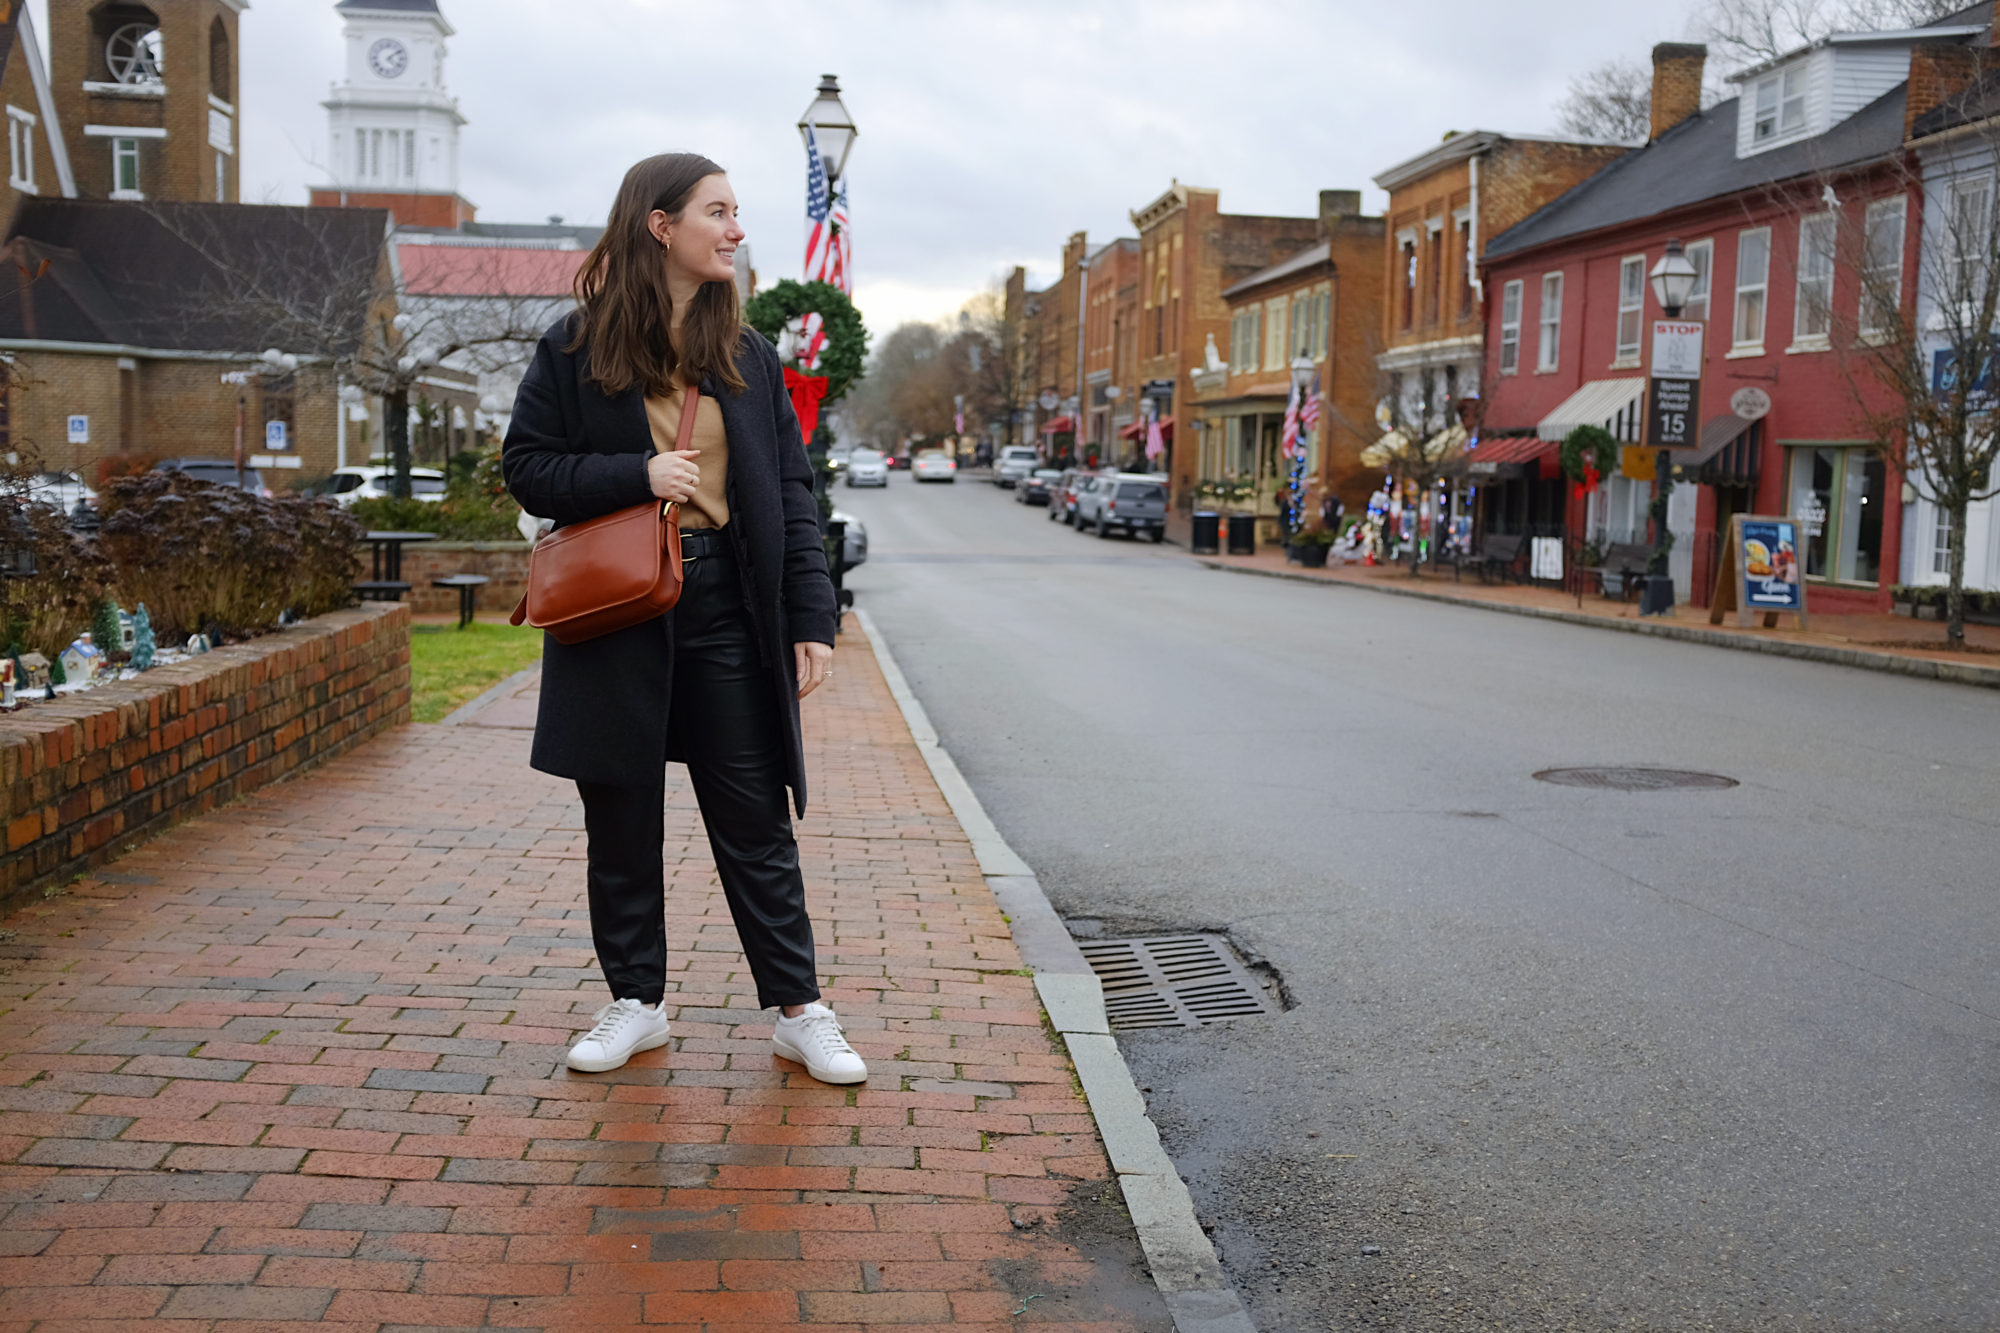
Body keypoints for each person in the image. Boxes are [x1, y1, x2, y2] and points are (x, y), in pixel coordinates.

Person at [503, 153, 865, 1085]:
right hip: (619, 607)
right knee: (620, 816)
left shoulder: (745, 353)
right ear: (661, 224)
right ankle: (637, 1001)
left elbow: (791, 487)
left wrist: (811, 617)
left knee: (753, 818)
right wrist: (635, 475)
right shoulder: (574, 347)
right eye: (720, 211)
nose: (737, 229)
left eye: (738, 212)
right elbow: (528, 467)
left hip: (728, 609)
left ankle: (800, 1009)